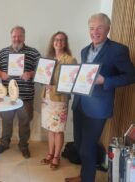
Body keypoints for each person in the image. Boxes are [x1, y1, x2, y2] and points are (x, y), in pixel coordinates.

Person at [65, 13, 135, 182]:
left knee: (87, 148)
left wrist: (106, 80)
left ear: (108, 29)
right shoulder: (84, 50)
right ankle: (83, 176)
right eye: (91, 28)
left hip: (98, 108)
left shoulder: (118, 50)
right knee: (80, 145)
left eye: (99, 28)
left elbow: (131, 76)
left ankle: (87, 179)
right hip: (80, 103)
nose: (95, 32)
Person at [0, 26, 40, 158]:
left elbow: (42, 72)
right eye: (14, 36)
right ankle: (4, 143)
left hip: (25, 97)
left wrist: (30, 74)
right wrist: (1, 73)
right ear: (11, 37)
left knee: (24, 123)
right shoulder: (3, 52)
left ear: (24, 37)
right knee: (6, 121)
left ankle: (23, 145)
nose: (17, 39)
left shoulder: (33, 52)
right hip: (7, 97)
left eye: (19, 36)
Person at [40, 31, 77, 169]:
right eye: (56, 39)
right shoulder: (48, 59)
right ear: (52, 42)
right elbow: (42, 77)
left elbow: (70, 84)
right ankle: (50, 153)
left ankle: (57, 156)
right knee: (50, 128)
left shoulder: (70, 60)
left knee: (58, 129)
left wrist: (53, 86)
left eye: (62, 40)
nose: (58, 42)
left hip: (60, 99)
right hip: (47, 98)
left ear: (65, 43)